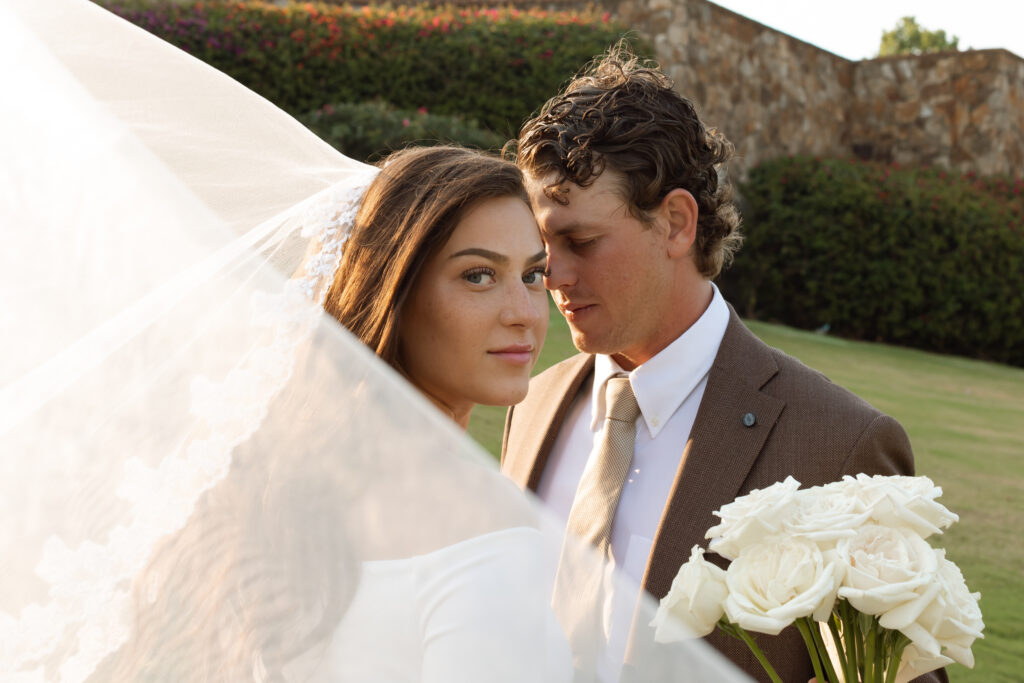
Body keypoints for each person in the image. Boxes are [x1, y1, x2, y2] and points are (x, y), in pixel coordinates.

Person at [501, 46, 948, 683]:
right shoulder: (531, 403)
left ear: (677, 223)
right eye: (543, 246)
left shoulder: (842, 446)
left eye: (579, 241)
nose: (553, 275)